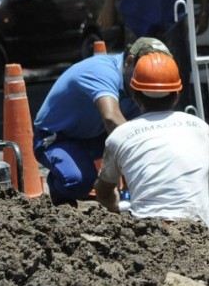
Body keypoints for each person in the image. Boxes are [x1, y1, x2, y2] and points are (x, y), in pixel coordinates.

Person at [33, 37, 173, 205]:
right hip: (56, 138)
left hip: (93, 135)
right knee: (78, 182)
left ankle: (83, 171)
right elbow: (111, 118)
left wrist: (133, 194)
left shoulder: (136, 83)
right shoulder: (100, 71)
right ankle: (59, 187)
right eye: (146, 71)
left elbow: (140, 134)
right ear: (129, 62)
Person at [94, 52, 209, 231]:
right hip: (200, 233)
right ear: (177, 94)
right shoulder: (201, 127)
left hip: (149, 236)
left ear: (135, 95)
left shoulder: (120, 136)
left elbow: (104, 193)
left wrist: (116, 209)